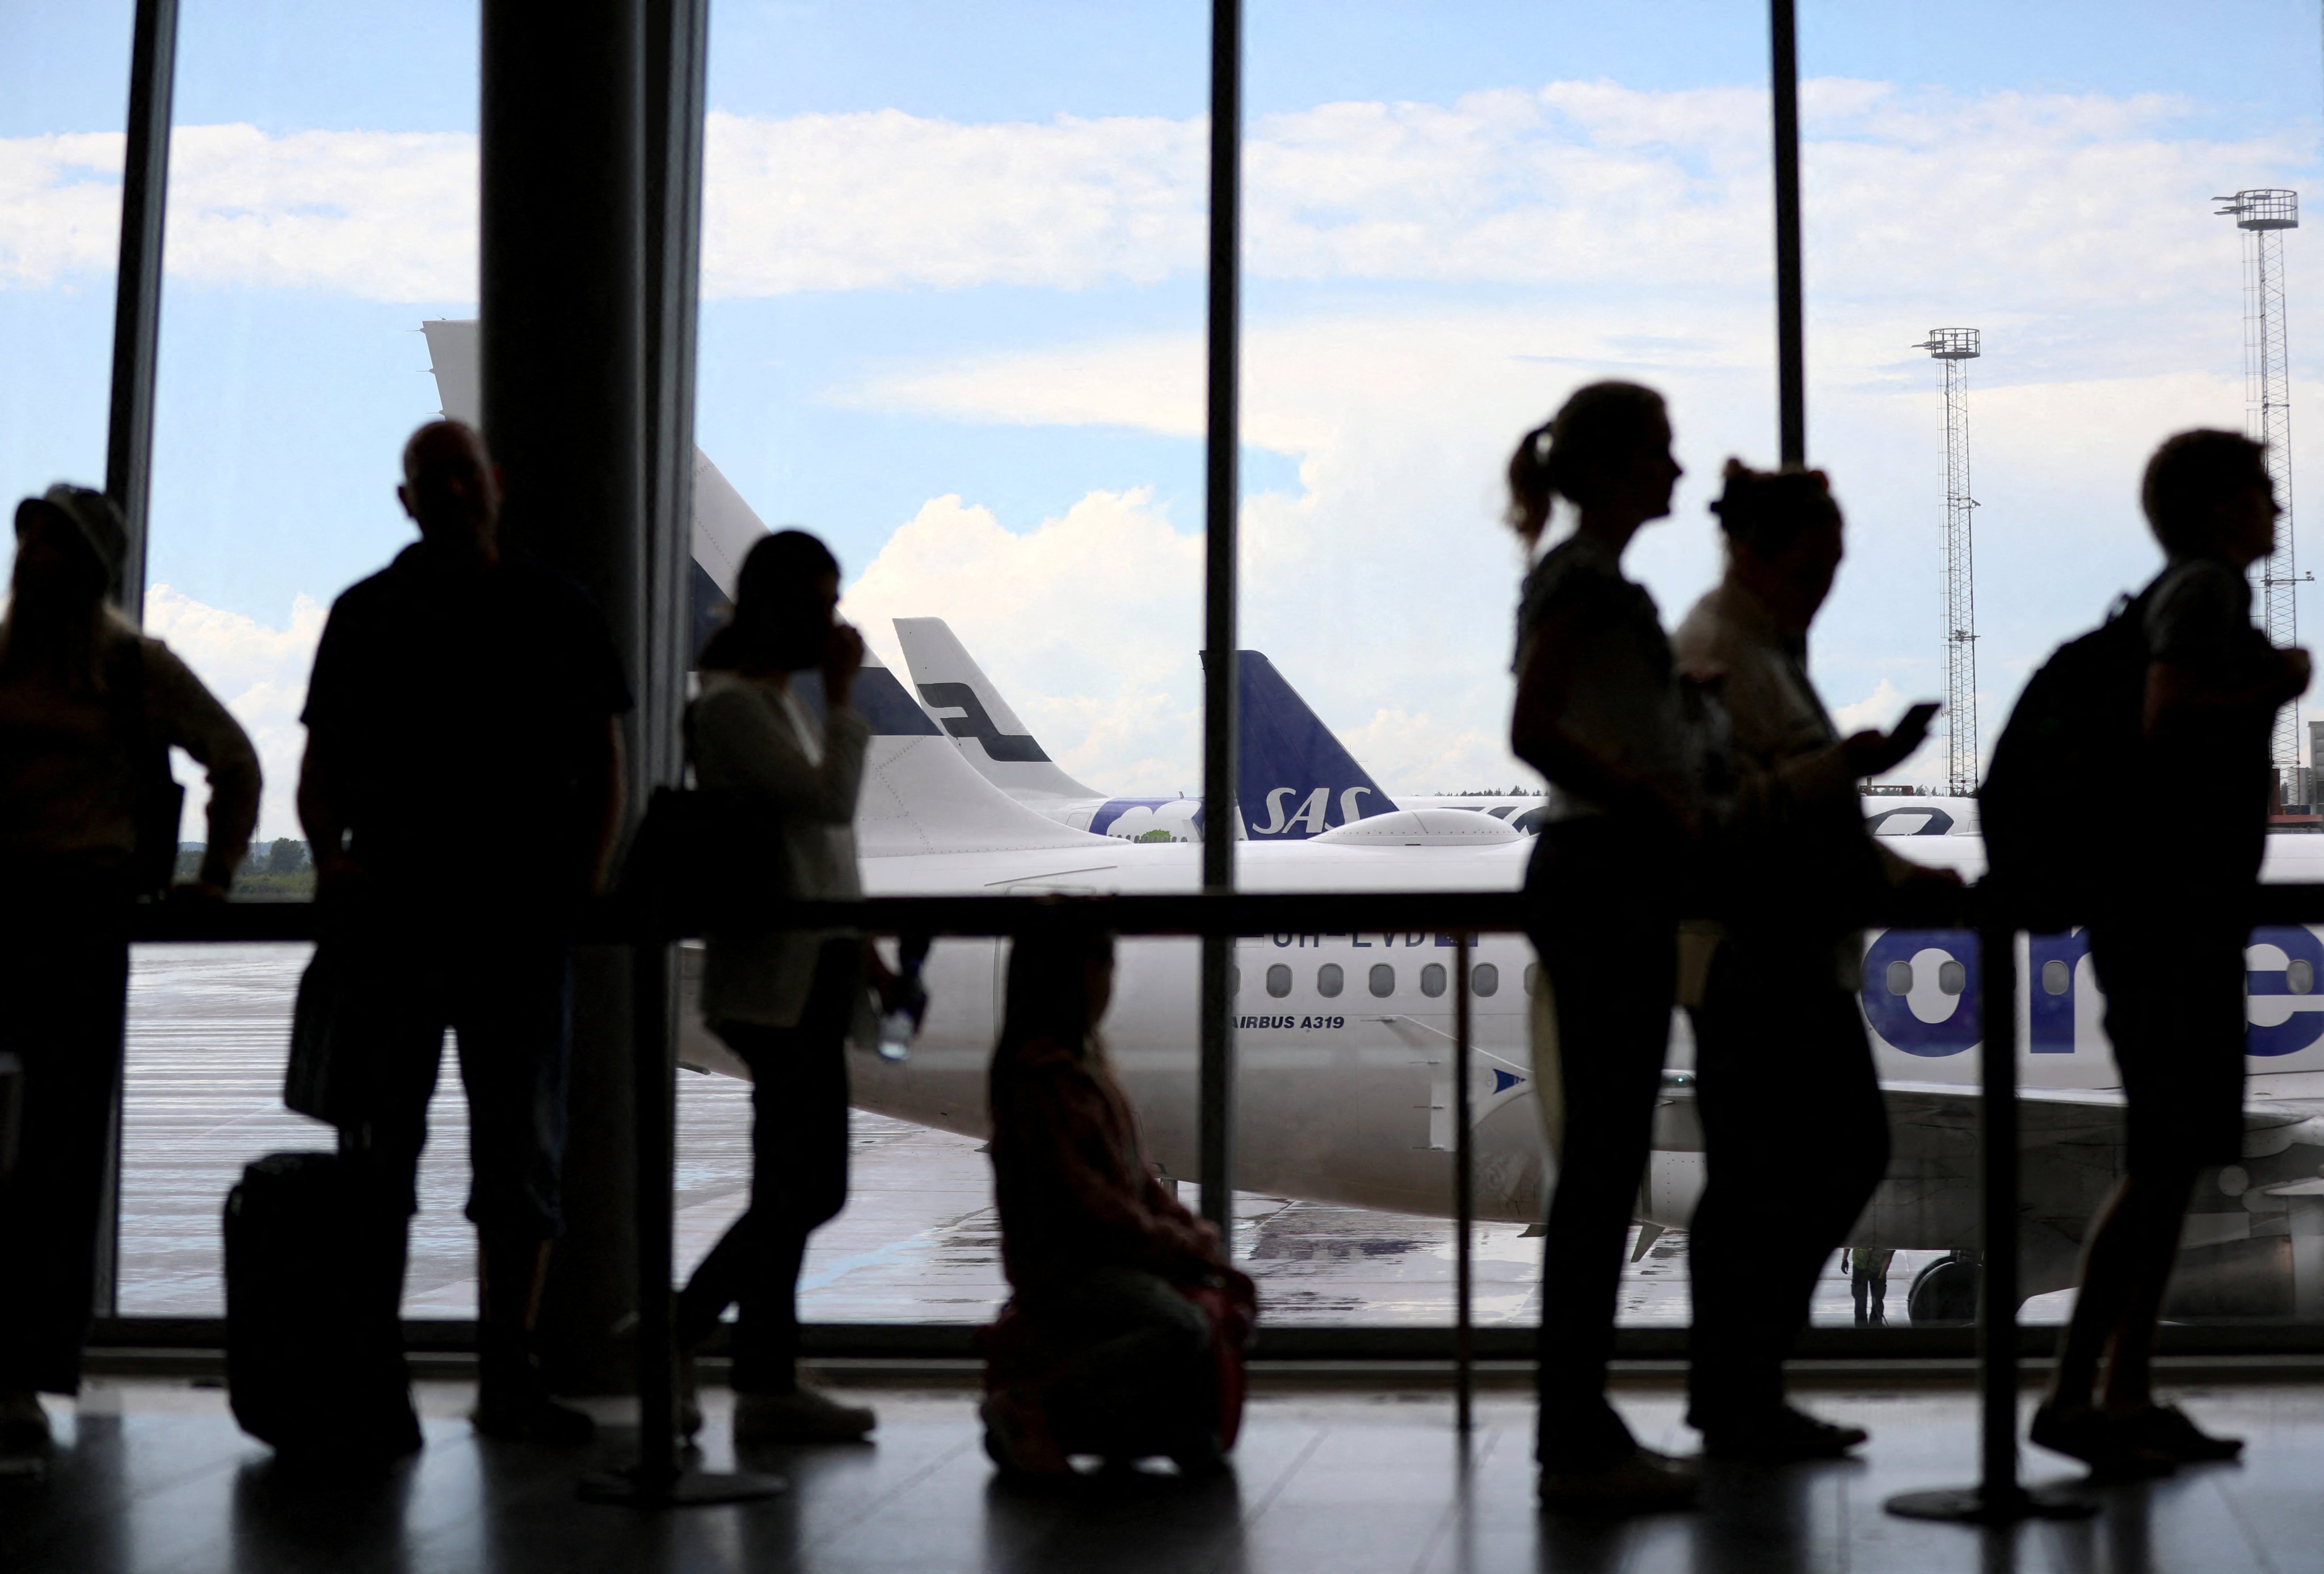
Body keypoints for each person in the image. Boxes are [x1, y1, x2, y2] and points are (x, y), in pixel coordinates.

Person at [297, 421, 630, 1445]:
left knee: (397, 1154)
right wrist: (583, 879)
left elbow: (320, 777)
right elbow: (605, 764)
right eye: (432, 476)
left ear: (486, 484)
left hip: (412, 921)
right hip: (509, 924)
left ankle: (382, 1376)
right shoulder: (555, 612)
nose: (446, 489)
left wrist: (336, 858)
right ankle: (504, 1377)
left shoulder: (367, 616)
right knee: (508, 1156)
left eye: (456, 472)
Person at [2030, 430, 2307, 1474]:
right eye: (2262, 491)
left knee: (2162, 1173)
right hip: (2168, 931)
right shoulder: (2204, 595)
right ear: (2217, 508)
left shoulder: (2179, 593)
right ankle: (2087, 1393)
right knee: (2156, 1175)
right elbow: (2169, 715)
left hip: (2158, 925)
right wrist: (2278, 687)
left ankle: (2118, 1392)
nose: (2278, 508)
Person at [1671, 459, 1948, 1459]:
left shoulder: (1765, 649)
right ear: (1759, 552)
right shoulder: (1720, 651)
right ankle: (1737, 1390)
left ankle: (1741, 1390)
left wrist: (1902, 877)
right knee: (1803, 1168)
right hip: (1758, 960)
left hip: (1792, 955)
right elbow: (1722, 814)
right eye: (1816, 560)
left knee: (1782, 1174)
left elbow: (1803, 811)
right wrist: (1853, 767)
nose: (1827, 582)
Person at [0, 485, 260, 1454]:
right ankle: (19, 1370)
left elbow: (234, 758)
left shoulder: (129, 667)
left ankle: (22, 1369)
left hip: (74, 913)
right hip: (43, 916)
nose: (31, 561)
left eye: (51, 547)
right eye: (28, 543)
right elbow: (232, 762)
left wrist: (220, 873)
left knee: (57, 1157)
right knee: (45, 1152)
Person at [1505, 382, 1702, 1510]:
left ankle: (1575, 1423)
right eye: (1662, 452)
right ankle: (1572, 1433)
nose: (1678, 472)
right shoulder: (1582, 581)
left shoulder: (1583, 578)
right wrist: (1650, 802)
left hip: (1601, 879)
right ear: (1620, 467)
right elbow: (1533, 729)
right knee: (1597, 1174)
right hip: (1603, 879)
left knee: (1601, 1169)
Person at [672, 528, 886, 1446]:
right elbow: (826, 804)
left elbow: (813, 846)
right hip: (775, 983)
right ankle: (678, 1338)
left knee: (798, 1186)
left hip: (814, 970)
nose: (835, 624)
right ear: (779, 608)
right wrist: (843, 699)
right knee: (801, 1189)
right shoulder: (726, 712)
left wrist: (859, 938)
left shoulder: (766, 704)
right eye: (822, 603)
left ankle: (760, 1372)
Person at [979, 925, 1254, 1478]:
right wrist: (1176, 1243)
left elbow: (1135, 1179)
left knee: (1209, 1299)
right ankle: (1034, 1403)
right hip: (1067, 1268)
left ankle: (1137, 1422)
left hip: (1098, 1254)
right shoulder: (1045, 1081)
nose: (1109, 985)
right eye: (1100, 969)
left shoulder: (1082, 1069)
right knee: (1182, 1326)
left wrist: (1185, 1231)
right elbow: (1090, 1205)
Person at [1849, 1249, 1893, 1328]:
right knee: (1860, 1301)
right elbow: (1849, 1243)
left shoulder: (1888, 1238)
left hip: (1877, 1269)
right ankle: (1861, 1327)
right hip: (1860, 1266)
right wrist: (1844, 1259)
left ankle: (1875, 1325)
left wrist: (1880, 1278)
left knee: (1877, 1300)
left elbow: (1889, 1256)